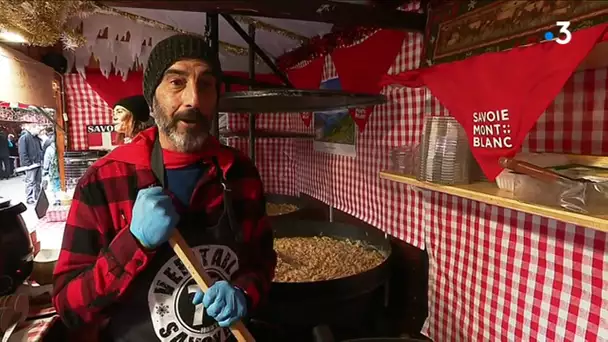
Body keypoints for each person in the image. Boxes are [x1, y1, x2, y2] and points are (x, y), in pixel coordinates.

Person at [52, 34, 276, 342]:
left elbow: (262, 261)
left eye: (206, 84)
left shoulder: (239, 173)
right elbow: (69, 308)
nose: (193, 100)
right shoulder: (104, 180)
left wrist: (243, 291)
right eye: (177, 82)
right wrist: (133, 242)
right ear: (152, 96)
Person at [18, 124, 43, 204]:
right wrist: (28, 164)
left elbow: (40, 149)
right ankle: (30, 198)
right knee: (31, 181)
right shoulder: (24, 138)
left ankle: (37, 197)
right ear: (33, 128)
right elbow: (22, 152)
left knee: (37, 181)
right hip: (31, 164)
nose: (39, 131)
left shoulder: (36, 138)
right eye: (38, 129)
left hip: (37, 163)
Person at [42, 130, 60, 205]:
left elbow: (46, 161)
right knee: (59, 183)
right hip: (61, 169)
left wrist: (45, 169)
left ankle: (57, 199)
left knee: (55, 184)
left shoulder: (49, 149)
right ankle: (61, 197)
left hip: (53, 170)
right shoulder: (61, 147)